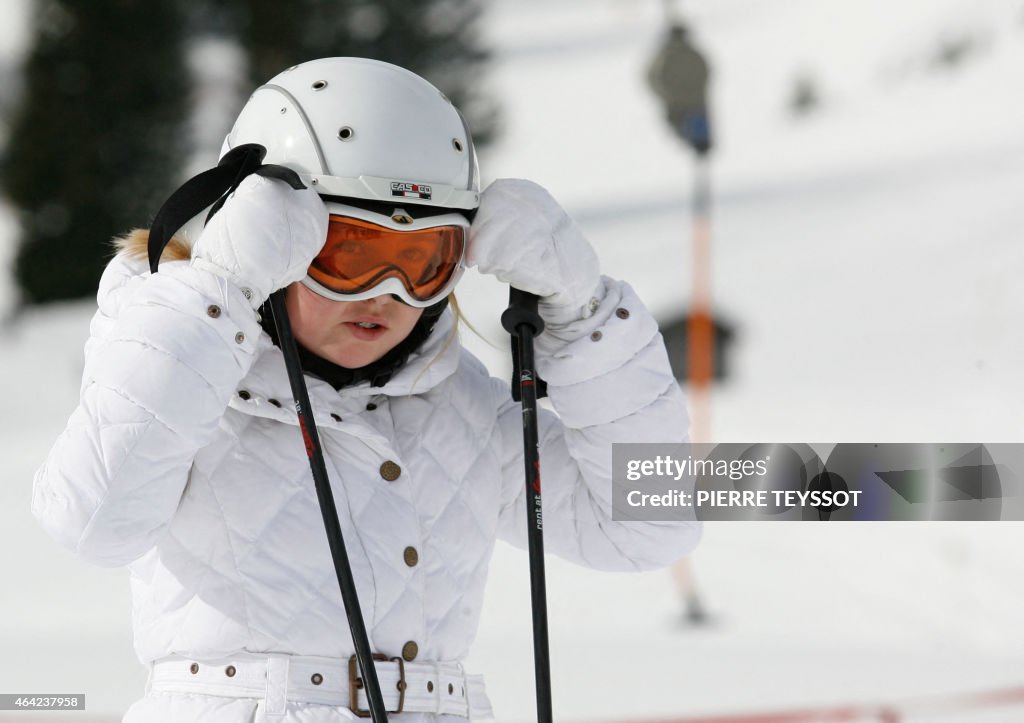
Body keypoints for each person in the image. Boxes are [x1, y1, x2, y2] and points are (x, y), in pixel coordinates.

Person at [31, 57, 700, 722]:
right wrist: (217, 294)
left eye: (421, 261)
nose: (386, 294)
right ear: (269, 234)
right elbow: (91, 521)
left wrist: (586, 315)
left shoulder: (467, 412)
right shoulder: (183, 379)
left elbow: (651, 525)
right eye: (348, 254)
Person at [647, 22, 713, 156]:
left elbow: (654, 78)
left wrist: (667, 95)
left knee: (682, 129)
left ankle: (698, 146)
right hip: (695, 101)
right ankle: (700, 146)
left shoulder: (666, 56)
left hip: (678, 104)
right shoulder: (692, 54)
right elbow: (704, 71)